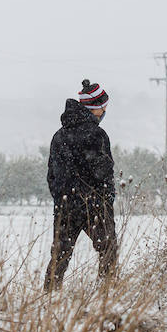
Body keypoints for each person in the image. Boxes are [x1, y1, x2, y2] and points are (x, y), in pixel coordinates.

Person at [44, 79, 118, 290]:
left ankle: (48, 298)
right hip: (94, 205)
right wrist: (107, 198)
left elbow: (52, 175)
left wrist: (61, 197)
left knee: (59, 256)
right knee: (108, 251)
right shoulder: (96, 135)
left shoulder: (59, 136)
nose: (105, 110)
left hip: (65, 206)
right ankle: (107, 295)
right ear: (96, 108)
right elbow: (103, 171)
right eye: (104, 106)